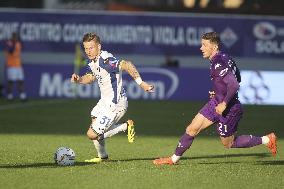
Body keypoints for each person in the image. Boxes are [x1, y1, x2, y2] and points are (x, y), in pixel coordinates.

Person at [153, 32, 277, 165]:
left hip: (229, 108)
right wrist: (219, 92)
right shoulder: (225, 58)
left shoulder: (218, 62)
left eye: (204, 45)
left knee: (229, 143)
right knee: (192, 129)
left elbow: (234, 84)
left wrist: (224, 102)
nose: (201, 48)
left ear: (214, 46)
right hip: (215, 103)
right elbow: (238, 78)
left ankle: (267, 139)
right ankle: (173, 159)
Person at [71, 32, 154, 163]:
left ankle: (125, 126)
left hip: (116, 104)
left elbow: (127, 64)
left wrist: (141, 83)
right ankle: (103, 156)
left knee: (92, 134)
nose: (88, 51)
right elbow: (92, 77)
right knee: (94, 119)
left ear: (99, 46)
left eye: (91, 48)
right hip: (104, 102)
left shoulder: (106, 60)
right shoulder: (93, 61)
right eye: (86, 48)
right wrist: (79, 80)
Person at [4, 32, 27, 101]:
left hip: (18, 65)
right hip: (11, 65)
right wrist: (13, 43)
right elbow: (10, 51)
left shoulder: (18, 44)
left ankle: (22, 96)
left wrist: (21, 62)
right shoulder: (9, 43)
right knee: (11, 81)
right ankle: (9, 96)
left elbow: (18, 54)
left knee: (21, 80)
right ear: (12, 37)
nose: (16, 38)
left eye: (17, 37)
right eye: (15, 37)